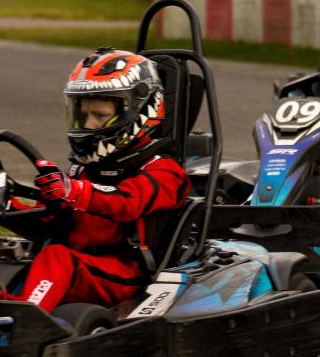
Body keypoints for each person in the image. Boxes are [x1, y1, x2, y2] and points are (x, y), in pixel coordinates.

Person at [11, 48, 189, 312]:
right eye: (83, 116)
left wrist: (72, 190)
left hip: (126, 275)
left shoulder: (164, 170)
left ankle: (24, 320)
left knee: (56, 257)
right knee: (1, 258)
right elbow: (49, 223)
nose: (89, 126)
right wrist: (1, 207)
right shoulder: (85, 170)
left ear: (138, 111)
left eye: (100, 116)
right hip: (81, 265)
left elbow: (127, 203)